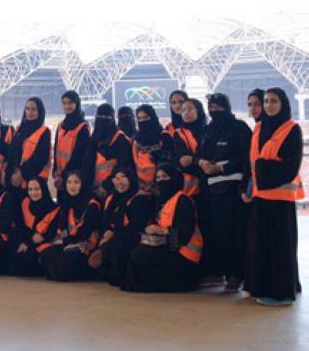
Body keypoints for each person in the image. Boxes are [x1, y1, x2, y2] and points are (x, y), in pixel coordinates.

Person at [245, 87, 304, 306]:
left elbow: (290, 166)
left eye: (274, 101)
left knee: (280, 248)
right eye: (267, 101)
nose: (269, 105)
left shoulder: (292, 129)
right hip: (260, 197)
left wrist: (262, 169)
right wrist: (250, 185)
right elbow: (251, 161)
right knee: (261, 246)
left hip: (280, 199)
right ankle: (260, 287)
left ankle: (281, 292)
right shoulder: (259, 127)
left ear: (283, 104)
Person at [198, 93, 252, 292]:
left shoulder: (239, 128)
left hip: (231, 191)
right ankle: (217, 271)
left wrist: (222, 169)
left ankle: (235, 275)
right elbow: (200, 154)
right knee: (214, 233)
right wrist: (202, 162)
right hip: (209, 190)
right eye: (211, 106)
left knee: (233, 234)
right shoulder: (208, 129)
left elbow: (246, 157)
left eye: (219, 106)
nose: (215, 110)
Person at [122, 165, 203, 293]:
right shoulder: (164, 201)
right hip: (170, 246)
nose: (161, 181)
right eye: (158, 178)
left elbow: (183, 235)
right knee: (135, 250)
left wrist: (161, 231)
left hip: (184, 254)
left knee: (141, 255)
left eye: (164, 177)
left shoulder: (183, 200)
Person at [90, 167, 153, 287]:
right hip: (120, 235)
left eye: (123, 177)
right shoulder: (114, 198)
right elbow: (108, 222)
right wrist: (108, 232)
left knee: (112, 249)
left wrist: (168, 235)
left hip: (166, 246)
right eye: (116, 178)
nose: (119, 182)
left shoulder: (140, 199)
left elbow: (135, 228)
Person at [42, 171, 101, 281]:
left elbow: (86, 231)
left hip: (86, 246)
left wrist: (71, 242)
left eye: (76, 182)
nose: (72, 186)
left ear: (82, 184)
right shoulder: (67, 203)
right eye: (69, 182)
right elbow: (63, 228)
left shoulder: (92, 204)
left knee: (64, 263)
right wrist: (66, 241)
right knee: (48, 253)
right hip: (69, 243)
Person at [7, 176, 59, 276]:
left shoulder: (54, 208)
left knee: (27, 258)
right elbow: (20, 225)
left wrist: (29, 243)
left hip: (43, 243)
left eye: (37, 189)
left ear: (43, 189)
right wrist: (25, 241)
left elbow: (49, 234)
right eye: (30, 189)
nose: (33, 193)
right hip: (26, 240)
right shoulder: (25, 202)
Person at [84, 104, 133, 200]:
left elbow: (122, 165)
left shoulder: (121, 139)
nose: (102, 119)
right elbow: (87, 163)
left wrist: (107, 185)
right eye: (100, 117)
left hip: (114, 189)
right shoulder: (94, 138)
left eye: (106, 117)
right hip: (92, 189)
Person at [6, 98, 51, 188]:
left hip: (31, 180)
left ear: (40, 112)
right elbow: (12, 153)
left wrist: (21, 172)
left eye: (34, 109)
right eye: (27, 109)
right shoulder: (19, 129)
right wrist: (9, 173)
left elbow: (41, 158)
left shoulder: (44, 131)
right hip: (14, 179)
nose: (30, 112)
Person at [54, 91, 90, 195]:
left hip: (74, 178)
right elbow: (56, 151)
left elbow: (79, 155)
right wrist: (56, 173)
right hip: (60, 177)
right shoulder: (61, 126)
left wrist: (65, 176)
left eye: (70, 103)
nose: (67, 106)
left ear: (76, 104)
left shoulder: (83, 127)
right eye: (64, 103)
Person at [172, 98, 206, 200]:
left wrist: (193, 159)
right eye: (183, 110)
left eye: (190, 109)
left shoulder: (209, 130)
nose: (186, 113)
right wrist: (201, 161)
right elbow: (184, 161)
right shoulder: (179, 133)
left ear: (199, 111)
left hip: (211, 184)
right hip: (190, 188)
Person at [132, 104, 172, 190]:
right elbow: (135, 161)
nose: (142, 121)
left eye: (146, 117)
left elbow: (170, 159)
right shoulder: (137, 139)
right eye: (139, 118)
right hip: (142, 186)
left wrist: (159, 156)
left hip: (161, 183)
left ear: (152, 117)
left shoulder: (163, 135)